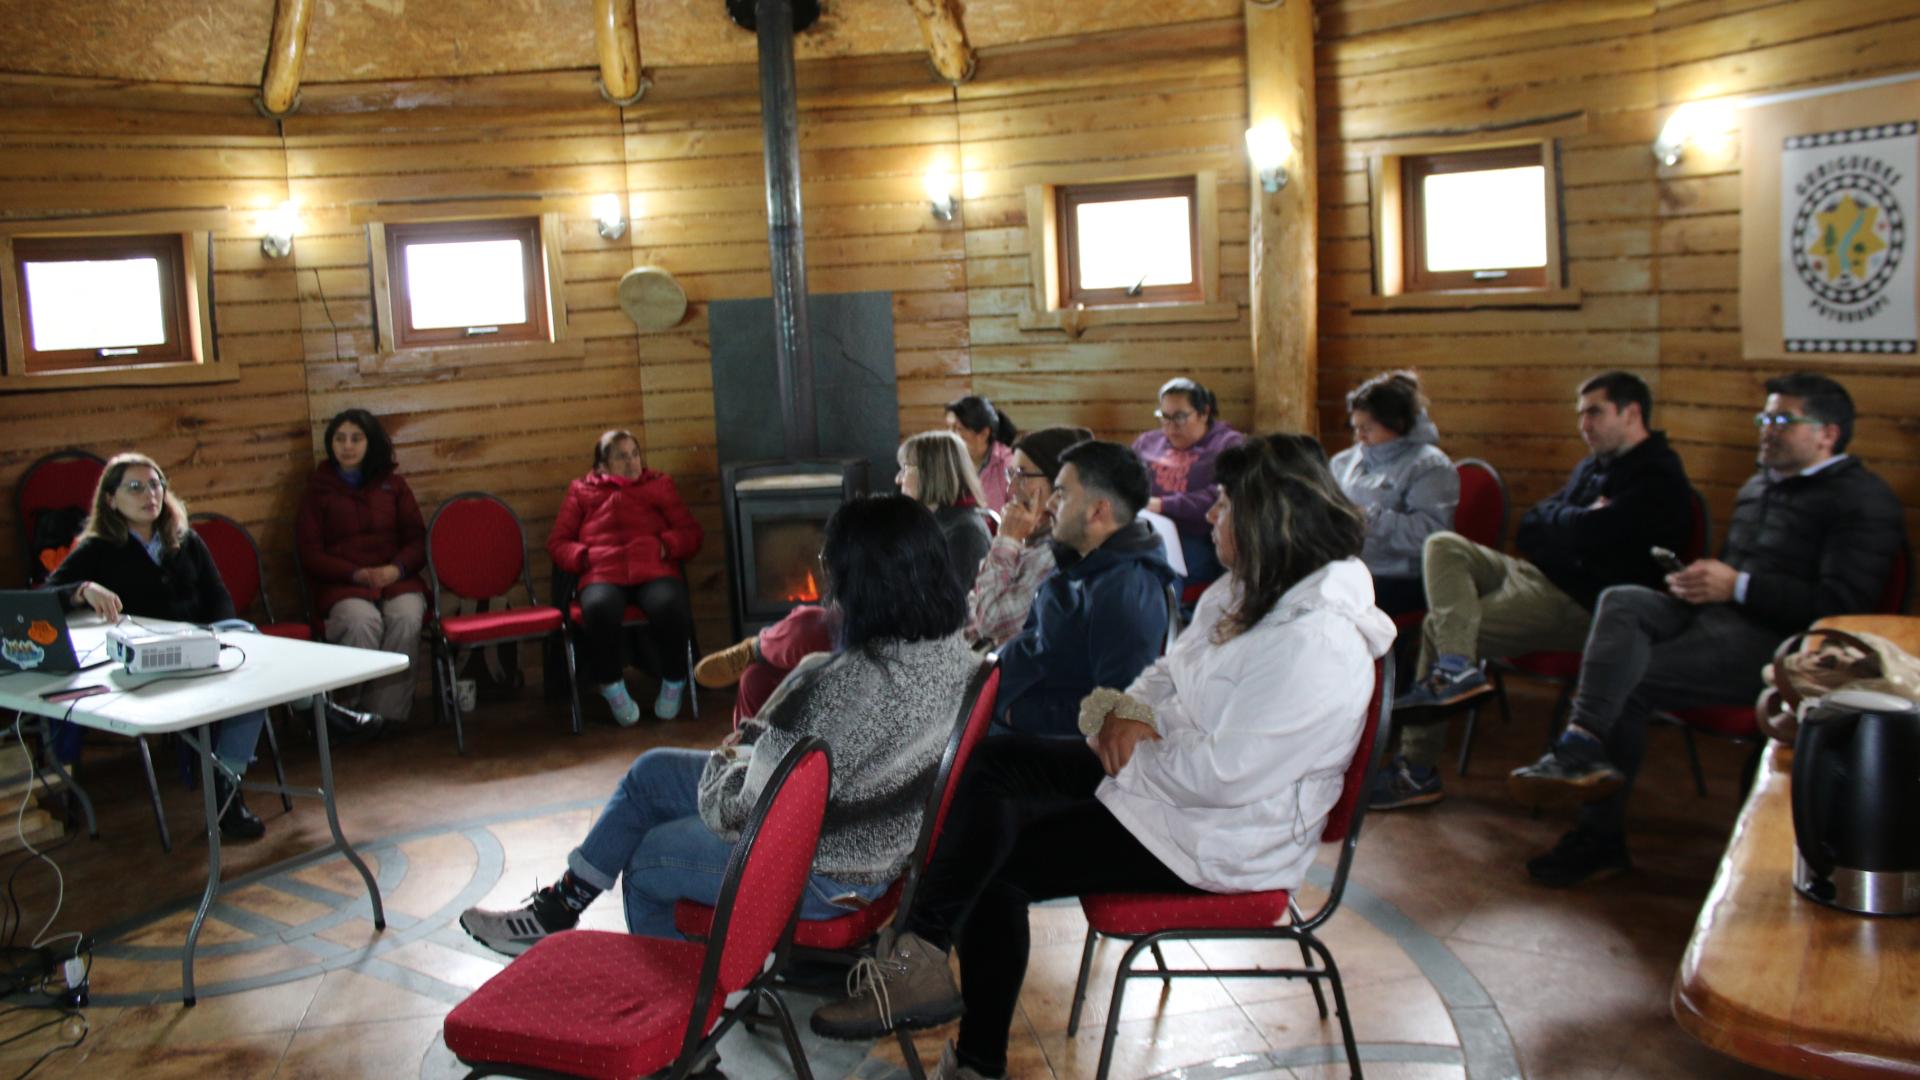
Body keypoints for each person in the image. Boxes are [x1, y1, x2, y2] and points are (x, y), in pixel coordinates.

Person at [808, 434, 1398, 1080]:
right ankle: (921, 955)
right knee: (993, 766)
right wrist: (1126, 712)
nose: (1210, 514)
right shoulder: (1248, 591)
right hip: (1166, 784)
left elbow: (1223, 778)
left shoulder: (1316, 644)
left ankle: (973, 1058)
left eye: (1226, 504)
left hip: (1218, 838)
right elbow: (1165, 674)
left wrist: (1132, 742)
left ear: (1269, 519)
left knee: (997, 863)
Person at [459, 494, 984, 955]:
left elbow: (737, 810)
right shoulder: (957, 659)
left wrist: (735, 753)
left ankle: (684, 1031)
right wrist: (752, 751)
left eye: (832, 566)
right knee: (651, 772)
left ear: (861, 582)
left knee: (644, 863)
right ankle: (560, 906)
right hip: (872, 845)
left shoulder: (835, 684)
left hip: (824, 871)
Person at [1509, 373, 1906, 886]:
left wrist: (1738, 585)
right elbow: (1741, 574)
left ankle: (1597, 839)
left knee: (1630, 682)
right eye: (1765, 417)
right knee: (1623, 600)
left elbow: (1841, 608)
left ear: (1827, 433)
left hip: (1779, 645)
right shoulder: (1759, 483)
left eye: (1783, 420)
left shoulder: (1861, 500)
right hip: (1716, 617)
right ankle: (1581, 743)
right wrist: (1700, 581)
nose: (1766, 429)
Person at [1378, 372, 1692, 811]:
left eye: (1595, 413)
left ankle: (1416, 769)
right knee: (1443, 545)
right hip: (1533, 574)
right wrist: (1574, 522)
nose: (1584, 425)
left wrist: (1565, 522)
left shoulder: (1657, 476)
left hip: (1578, 604)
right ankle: (1456, 668)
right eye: (1580, 414)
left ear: (1632, 413)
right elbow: (1531, 525)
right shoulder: (1593, 465)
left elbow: (1585, 533)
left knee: (1438, 625)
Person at [694, 431, 992, 722]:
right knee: (756, 679)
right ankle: (747, 744)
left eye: (906, 469)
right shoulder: (927, 522)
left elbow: (940, 608)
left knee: (810, 622)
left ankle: (759, 646)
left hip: (898, 636)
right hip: (889, 626)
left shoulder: (964, 532)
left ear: (931, 472)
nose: (898, 478)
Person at [45, 453, 269, 839]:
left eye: (155, 485)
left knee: (249, 646)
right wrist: (83, 589)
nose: (149, 494)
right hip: (147, 663)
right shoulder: (98, 547)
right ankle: (316, 711)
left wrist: (218, 636)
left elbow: (217, 596)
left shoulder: (184, 538)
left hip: (202, 648)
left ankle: (227, 790)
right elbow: (46, 597)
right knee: (255, 661)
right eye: (135, 487)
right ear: (111, 500)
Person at [992, 440, 1175, 738]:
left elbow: (1116, 712)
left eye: (1062, 493)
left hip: (1030, 744)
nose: (1050, 503)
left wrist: (1016, 713)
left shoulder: (1127, 593)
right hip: (1004, 708)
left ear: (1098, 511)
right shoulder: (1082, 560)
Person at [547, 430, 702, 725]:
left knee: (670, 604)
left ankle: (674, 680)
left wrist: (666, 545)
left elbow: (691, 532)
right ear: (601, 466)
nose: (632, 463)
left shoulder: (659, 485)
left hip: (653, 567)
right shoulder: (581, 490)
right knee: (598, 609)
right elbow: (558, 542)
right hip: (602, 571)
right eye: (622, 457)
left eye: (635, 454)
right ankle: (612, 686)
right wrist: (582, 557)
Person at [297, 408, 427, 727]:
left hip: (397, 580)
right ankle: (349, 715)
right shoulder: (318, 490)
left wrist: (396, 569)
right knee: (360, 624)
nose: (348, 446)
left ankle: (387, 718)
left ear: (371, 443)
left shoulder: (393, 485)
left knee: (406, 618)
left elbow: (417, 540)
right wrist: (353, 573)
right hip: (344, 584)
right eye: (340, 439)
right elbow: (309, 552)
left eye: (356, 438)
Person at [1328, 370, 1457, 617]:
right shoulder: (1345, 461)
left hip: (1399, 577)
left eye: (1367, 428)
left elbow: (1432, 537)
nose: (1359, 437)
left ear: (1397, 424)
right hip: (1350, 567)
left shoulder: (1430, 466)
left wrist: (1370, 519)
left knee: (1330, 608)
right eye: (1355, 428)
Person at [967, 426, 1093, 648]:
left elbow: (991, 622)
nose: (1012, 487)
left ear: (1060, 482)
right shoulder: (1033, 536)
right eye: (1010, 474)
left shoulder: (1058, 553)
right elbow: (976, 603)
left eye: (1023, 475)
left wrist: (1007, 540)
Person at [1132, 376, 1243, 589]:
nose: (1171, 426)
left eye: (1180, 417)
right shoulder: (1147, 442)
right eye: (1164, 417)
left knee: (1161, 568)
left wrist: (1161, 505)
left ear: (1204, 413)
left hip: (1200, 535)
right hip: (1145, 528)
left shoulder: (1227, 444)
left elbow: (1222, 496)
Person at [946, 395, 1018, 512]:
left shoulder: (1008, 465)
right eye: (948, 428)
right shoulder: (947, 463)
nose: (949, 435)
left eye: (958, 429)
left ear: (984, 433)